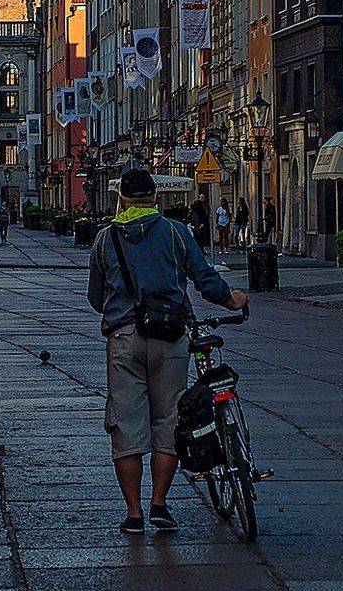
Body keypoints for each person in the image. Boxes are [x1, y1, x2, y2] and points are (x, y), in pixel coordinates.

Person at [89, 168, 248, 534]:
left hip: (124, 339)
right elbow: (204, 278)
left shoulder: (104, 239)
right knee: (169, 420)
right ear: (155, 197)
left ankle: (133, 514)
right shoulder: (176, 232)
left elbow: (96, 298)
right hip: (170, 335)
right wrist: (231, 300)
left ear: (121, 199)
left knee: (126, 424)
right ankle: (159, 505)